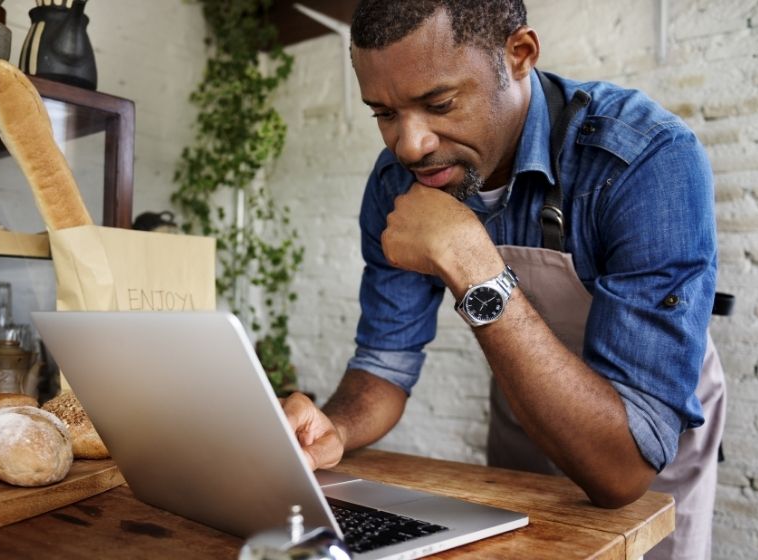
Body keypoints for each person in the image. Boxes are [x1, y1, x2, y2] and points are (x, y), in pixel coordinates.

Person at [281, 1, 726, 558]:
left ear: (519, 55)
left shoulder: (644, 160)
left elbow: (620, 474)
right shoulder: (397, 183)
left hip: (650, 438)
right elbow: (384, 363)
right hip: (526, 414)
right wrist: (336, 428)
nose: (409, 145)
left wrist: (471, 262)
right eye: (384, 113)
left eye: (438, 103)